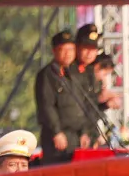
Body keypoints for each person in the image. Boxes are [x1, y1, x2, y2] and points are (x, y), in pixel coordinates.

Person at [34, 30, 90, 165]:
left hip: (77, 136)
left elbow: (84, 104)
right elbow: (46, 105)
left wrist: (85, 132)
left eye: (71, 49)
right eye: (63, 49)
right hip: (58, 138)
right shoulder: (47, 75)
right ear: (54, 51)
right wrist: (56, 132)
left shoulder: (77, 72)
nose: (68, 53)